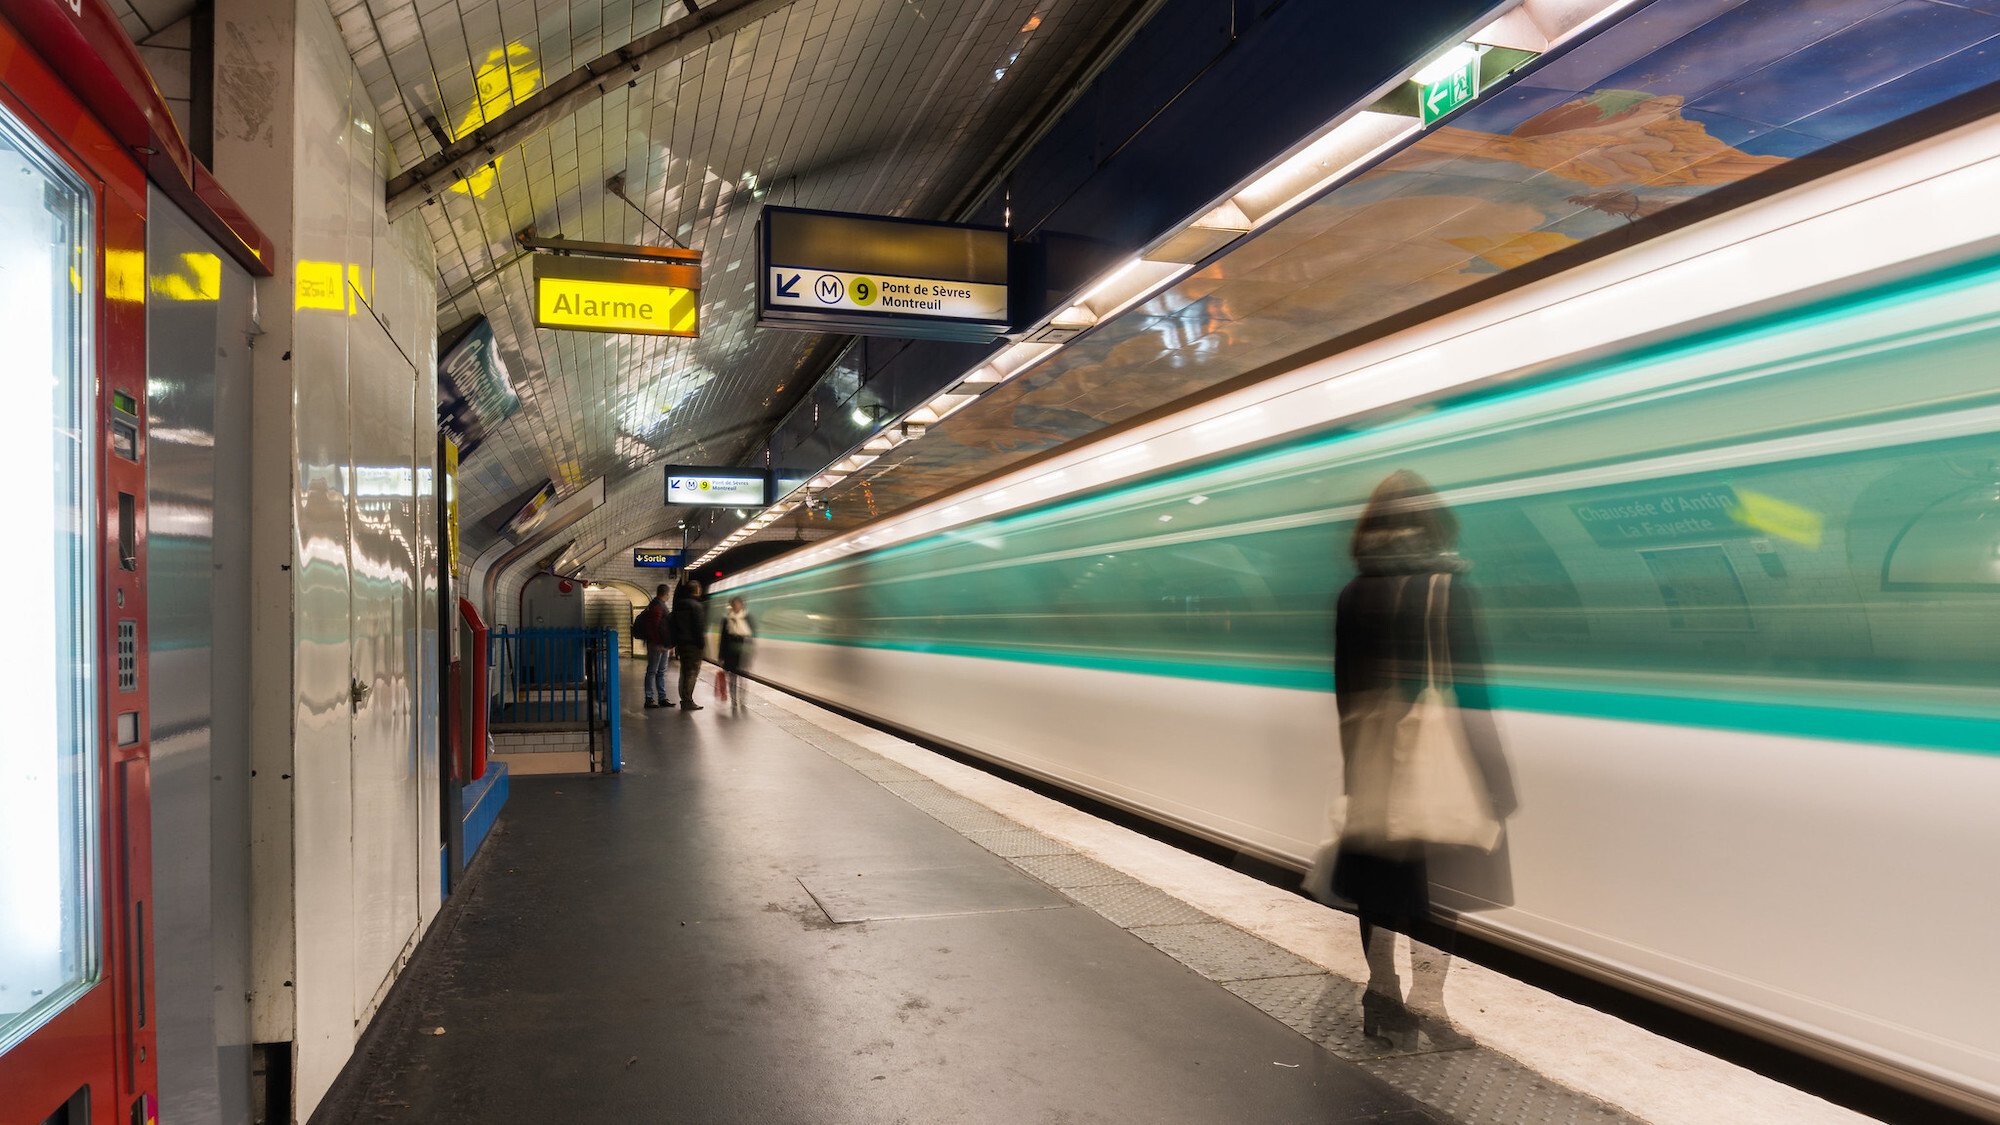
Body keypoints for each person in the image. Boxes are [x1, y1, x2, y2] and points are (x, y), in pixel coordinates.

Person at [1327, 470, 1515, 1045]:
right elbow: (1473, 694)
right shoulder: (1450, 589)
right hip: (1441, 767)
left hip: (1375, 765)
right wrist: (1495, 780)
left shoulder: (1354, 592)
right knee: (1441, 889)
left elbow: (1346, 695)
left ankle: (1381, 996)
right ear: (1438, 522)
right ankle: (1429, 1004)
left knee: (1380, 887)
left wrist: (1357, 774)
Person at [669, 577, 708, 711]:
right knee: (692, 673)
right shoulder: (696, 606)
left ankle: (684, 698)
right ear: (697, 590)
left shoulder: (678, 605)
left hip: (682, 644)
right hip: (693, 646)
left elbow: (673, 625)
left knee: (684, 672)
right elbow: (698, 627)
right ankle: (688, 700)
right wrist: (701, 644)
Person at [635, 583, 675, 709]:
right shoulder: (657, 606)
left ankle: (662, 698)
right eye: (668, 594)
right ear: (666, 594)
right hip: (657, 645)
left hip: (662, 644)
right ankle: (649, 699)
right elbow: (654, 627)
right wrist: (657, 642)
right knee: (652, 671)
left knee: (661, 672)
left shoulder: (657, 605)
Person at [717, 596, 754, 712]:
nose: (736, 606)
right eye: (734, 604)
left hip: (743, 652)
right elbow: (722, 638)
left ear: (742, 605)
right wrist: (721, 656)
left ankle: (742, 700)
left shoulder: (748, 618)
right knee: (732, 678)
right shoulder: (726, 619)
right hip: (730, 652)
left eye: (738, 604)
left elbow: (753, 635)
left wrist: (750, 653)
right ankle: (734, 701)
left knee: (743, 678)